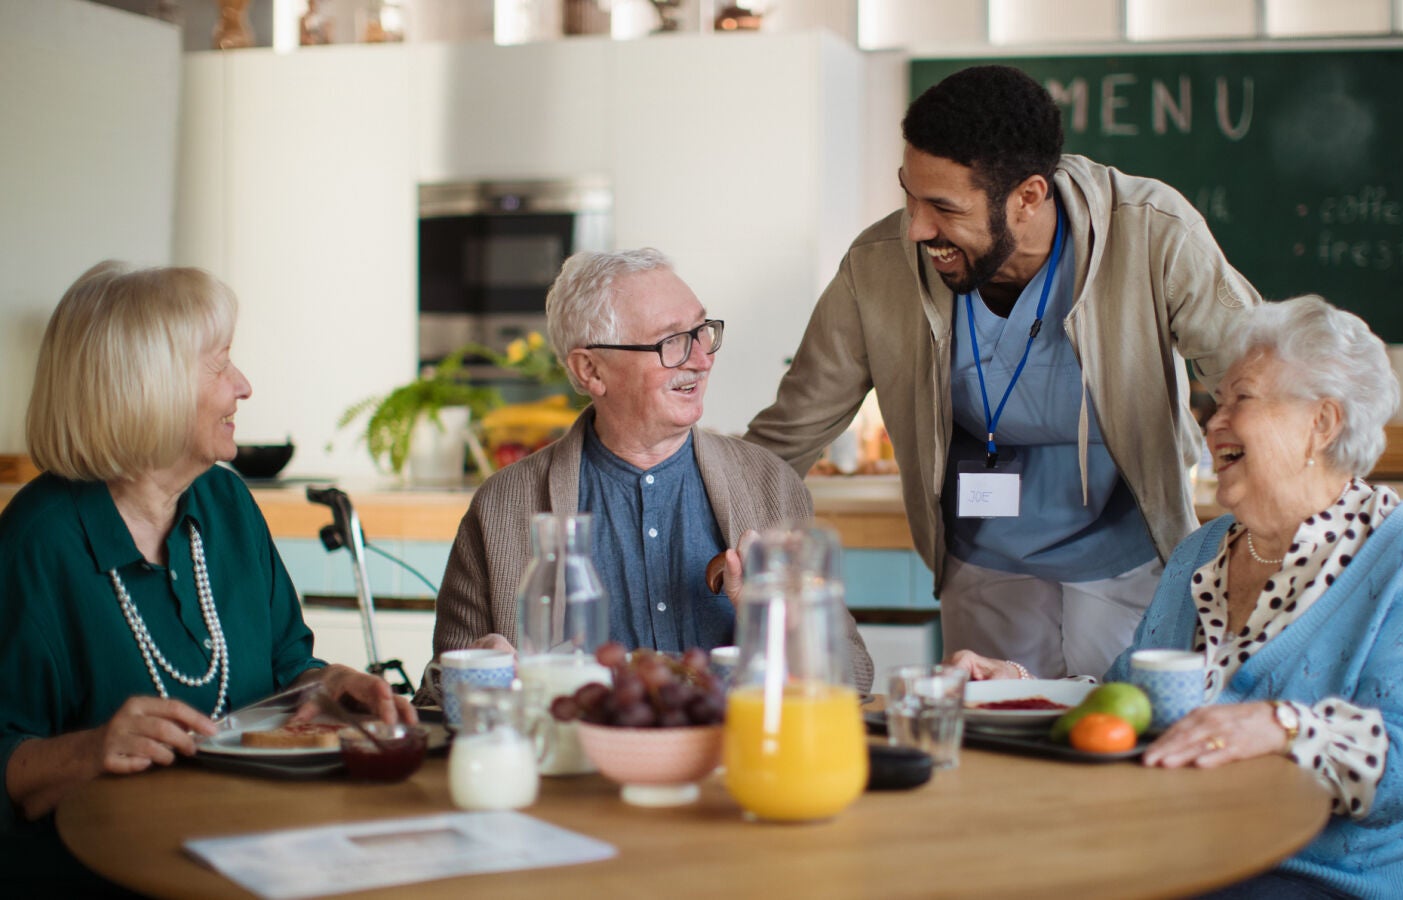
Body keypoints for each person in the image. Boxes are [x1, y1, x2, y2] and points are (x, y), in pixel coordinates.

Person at [745, 65, 1262, 680]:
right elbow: (786, 435)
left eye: (943, 206)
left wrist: (1263, 534)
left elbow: (1261, 378)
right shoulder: (878, 268)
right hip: (984, 562)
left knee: (1120, 742)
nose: (916, 228)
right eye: (908, 194)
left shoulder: (1151, 232)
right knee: (997, 748)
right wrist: (719, 528)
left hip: (1129, 560)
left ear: (1028, 197)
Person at [956, 296, 1403, 898]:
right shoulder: (1202, 553)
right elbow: (1130, 703)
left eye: (1240, 399)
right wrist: (1015, 689)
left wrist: (1280, 726)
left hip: (1314, 877)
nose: (1212, 423)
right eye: (1215, 402)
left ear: (1321, 424)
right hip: (1176, 855)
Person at [0, 261, 413, 889]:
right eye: (220, 364)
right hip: (102, 876)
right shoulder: (40, 541)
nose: (243, 386)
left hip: (253, 857)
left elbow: (283, 671)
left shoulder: (227, 504)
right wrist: (93, 749)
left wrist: (326, 687)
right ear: (147, 384)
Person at [428, 248, 874, 694]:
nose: (701, 359)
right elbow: (434, 695)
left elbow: (853, 677)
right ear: (591, 370)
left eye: (701, 331)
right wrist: (475, 672)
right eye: (671, 342)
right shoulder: (502, 506)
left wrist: (775, 622)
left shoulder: (771, 485)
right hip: (574, 761)